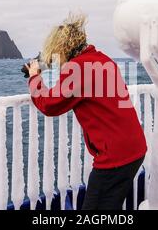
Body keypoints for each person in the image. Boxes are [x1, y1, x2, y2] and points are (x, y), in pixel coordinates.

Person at [25, 13, 147, 210]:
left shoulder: (78, 68)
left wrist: (33, 78)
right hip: (134, 149)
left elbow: (49, 104)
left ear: (61, 47)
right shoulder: (101, 60)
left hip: (115, 156)